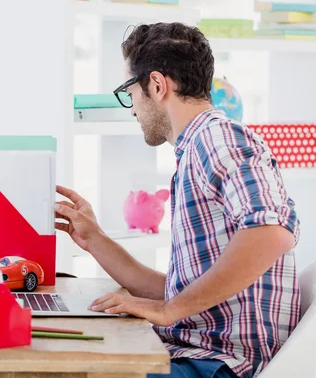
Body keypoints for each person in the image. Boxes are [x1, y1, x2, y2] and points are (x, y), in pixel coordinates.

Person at [55, 22, 300, 378]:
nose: (132, 107)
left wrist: (169, 312)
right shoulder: (199, 146)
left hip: (217, 364)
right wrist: (94, 239)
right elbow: (178, 293)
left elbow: (272, 232)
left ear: (156, 85)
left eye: (129, 91)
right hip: (195, 353)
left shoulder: (218, 139)